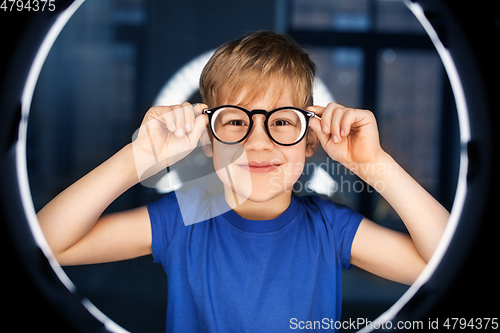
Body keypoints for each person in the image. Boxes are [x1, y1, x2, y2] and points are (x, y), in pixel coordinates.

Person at [37, 31, 449, 332]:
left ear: (310, 141)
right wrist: (138, 159)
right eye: (235, 122)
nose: (259, 143)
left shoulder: (328, 226)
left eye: (282, 122)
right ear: (208, 141)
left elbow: (445, 261)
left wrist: (374, 163)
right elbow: (47, 244)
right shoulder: (185, 215)